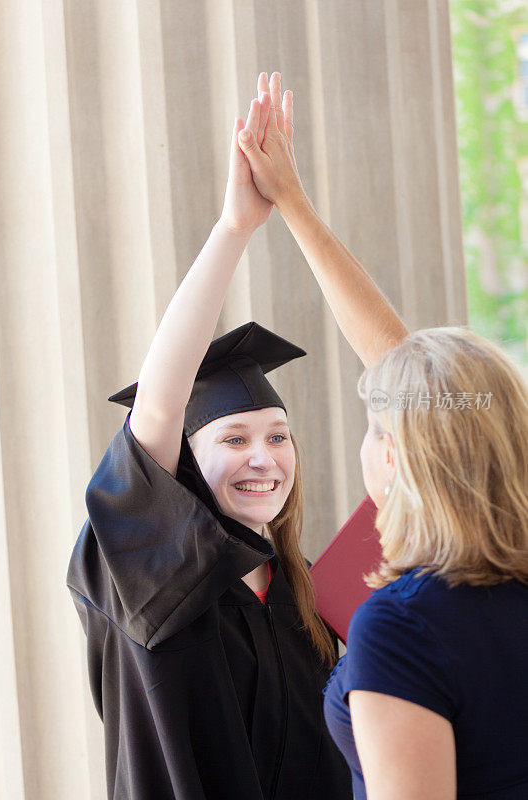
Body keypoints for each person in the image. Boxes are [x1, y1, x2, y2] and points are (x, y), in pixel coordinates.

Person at [68, 71, 406, 800]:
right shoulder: (145, 576)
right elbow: (156, 409)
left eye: (278, 436)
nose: (265, 458)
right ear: (178, 466)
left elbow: (427, 414)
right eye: (232, 439)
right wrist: (234, 230)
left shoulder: (308, 588)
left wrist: (300, 208)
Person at [238, 74, 528, 799]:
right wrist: (294, 207)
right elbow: (428, 395)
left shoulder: (402, 630)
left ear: (396, 459)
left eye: (375, 428)